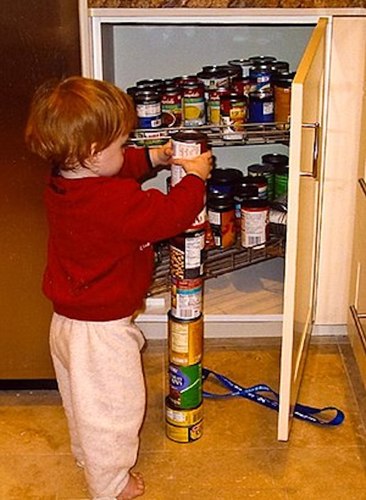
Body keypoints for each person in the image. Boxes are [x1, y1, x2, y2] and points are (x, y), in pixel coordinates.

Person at [25, 76, 212, 500]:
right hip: (102, 331)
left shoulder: (65, 178)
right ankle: (110, 485)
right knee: (115, 410)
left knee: (83, 402)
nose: (126, 150)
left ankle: (88, 456)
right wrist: (194, 179)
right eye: (120, 143)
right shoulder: (112, 203)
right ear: (91, 153)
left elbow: (117, 167)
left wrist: (155, 158)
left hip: (69, 320)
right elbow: (168, 216)